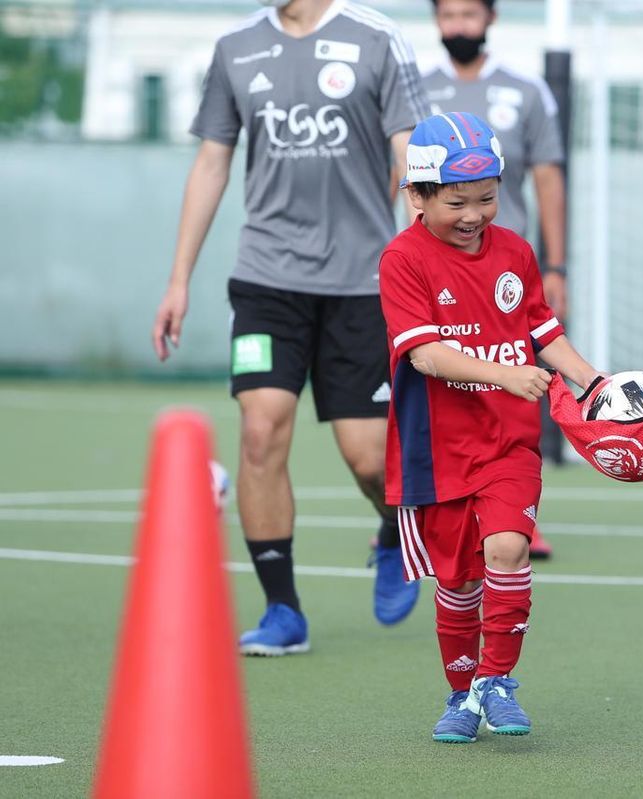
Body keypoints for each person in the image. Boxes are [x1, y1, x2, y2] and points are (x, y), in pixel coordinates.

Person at [150, 0, 431, 655]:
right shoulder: (235, 47)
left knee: (370, 458)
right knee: (260, 430)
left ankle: (393, 529)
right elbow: (212, 162)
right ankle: (282, 608)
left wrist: (425, 266)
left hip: (362, 285)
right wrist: (178, 279)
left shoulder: (377, 37)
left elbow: (412, 153)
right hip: (266, 279)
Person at [379, 111, 598, 743]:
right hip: (437, 451)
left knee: (507, 548)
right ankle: (462, 693)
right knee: (459, 580)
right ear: (416, 197)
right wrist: (505, 375)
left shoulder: (516, 252)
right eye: (456, 203)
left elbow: (542, 329)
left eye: (487, 198)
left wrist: (592, 381)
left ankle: (496, 680)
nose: (474, 215)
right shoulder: (402, 259)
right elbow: (425, 355)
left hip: (509, 444)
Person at [422, 0, 570, 558]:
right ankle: (422, 507)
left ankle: (519, 512)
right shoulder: (415, 90)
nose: (458, 25)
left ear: (491, 18)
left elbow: (548, 179)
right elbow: (396, 176)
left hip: (505, 276)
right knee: (435, 388)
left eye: (468, 14)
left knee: (514, 387)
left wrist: (555, 265)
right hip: (435, 271)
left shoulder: (527, 91)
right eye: (448, 15)